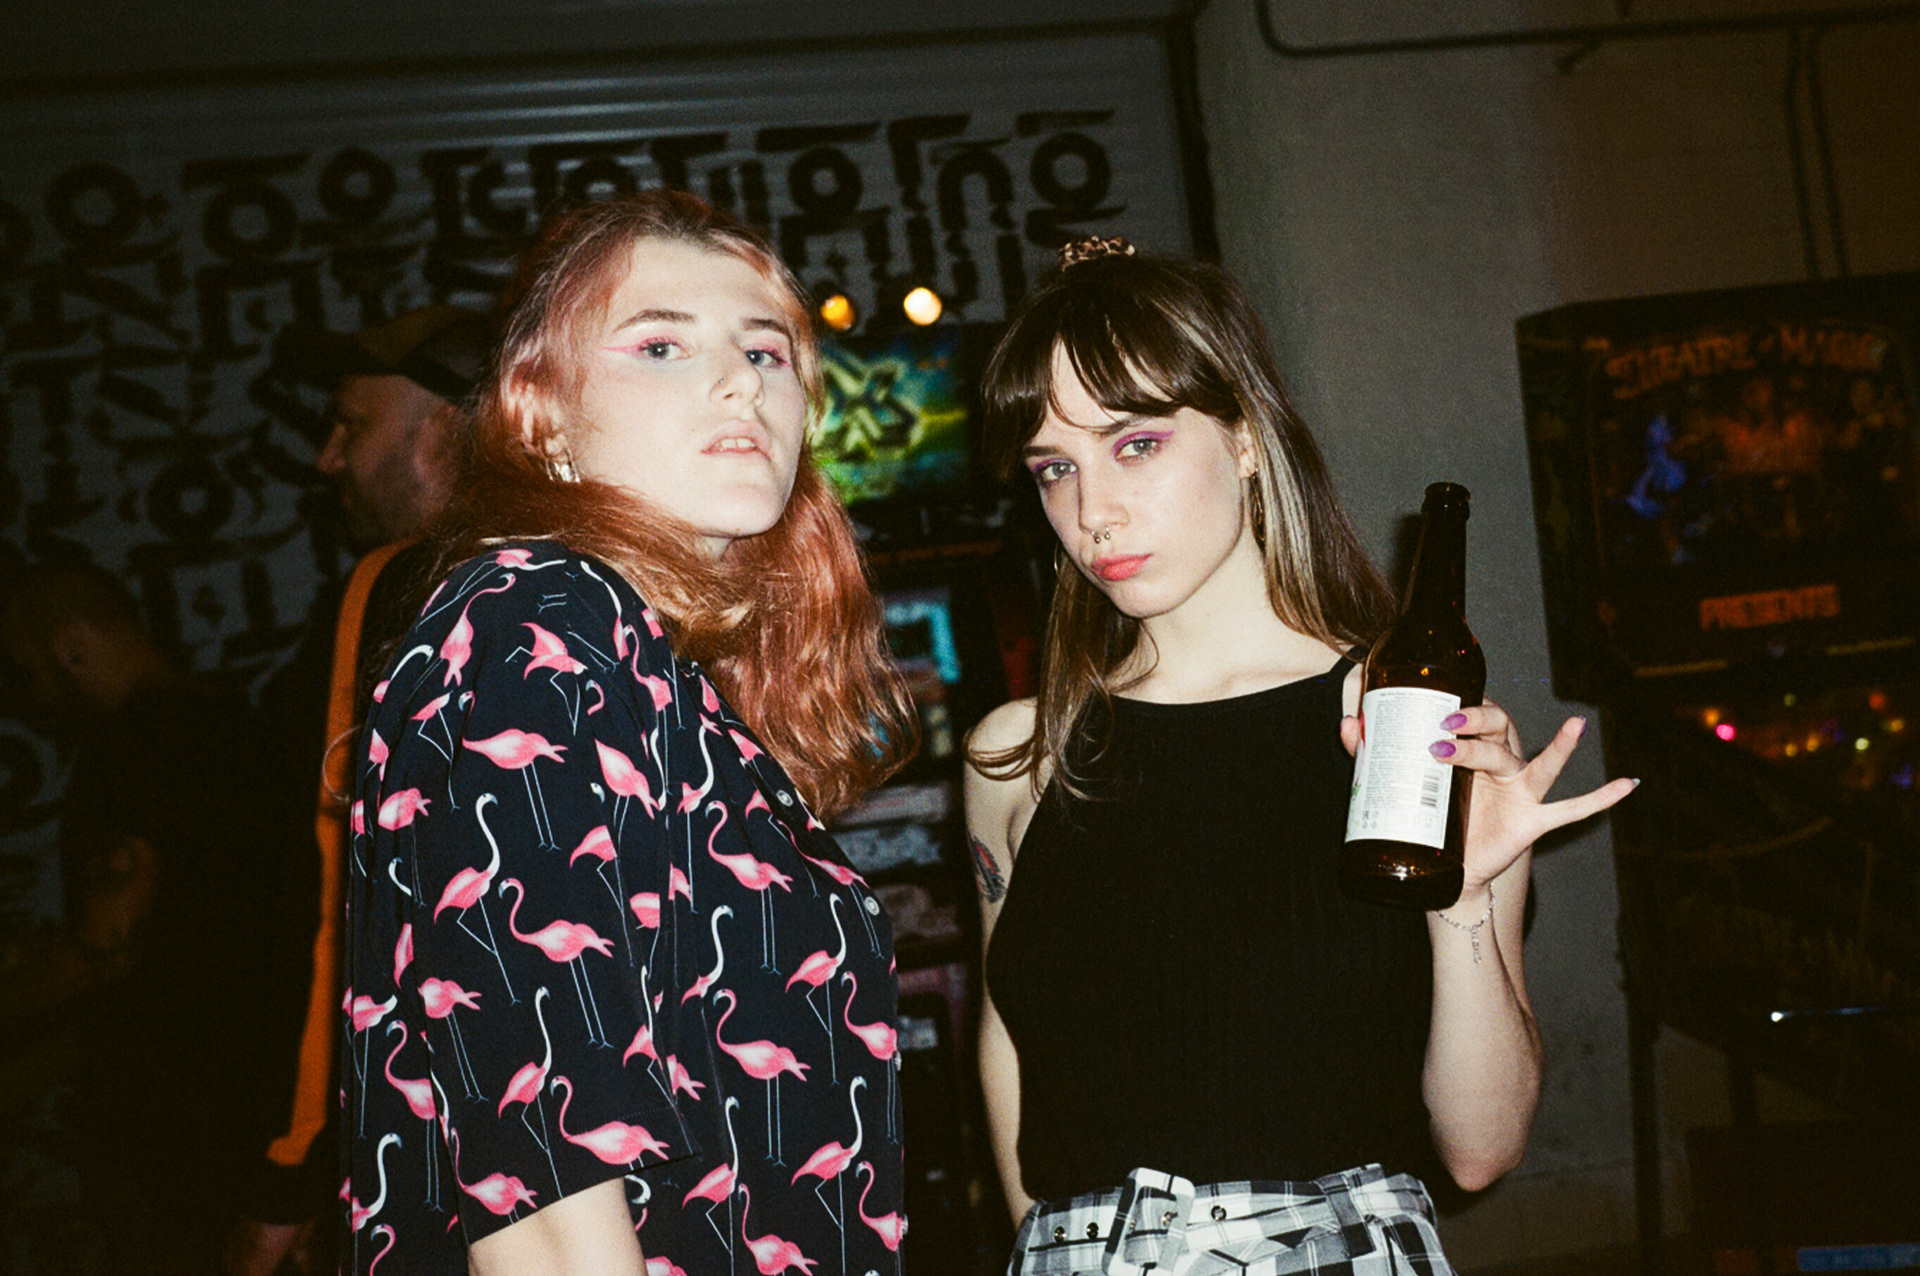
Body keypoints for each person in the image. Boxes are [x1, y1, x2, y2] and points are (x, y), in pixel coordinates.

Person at [963, 238, 1637, 1275]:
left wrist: (1464, 901)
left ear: (1243, 436)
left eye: (1135, 443)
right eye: (1056, 467)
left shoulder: (1405, 730)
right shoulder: (1020, 754)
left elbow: (1481, 1148)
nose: (1091, 512)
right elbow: (1010, 1046)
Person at [339, 190, 917, 1275]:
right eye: (660, 344)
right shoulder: (540, 618)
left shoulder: (643, 661)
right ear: (541, 417)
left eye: (767, 351)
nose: (742, 381)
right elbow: (543, 1185)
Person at [234, 305, 494, 1276]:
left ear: (450, 431)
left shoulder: (394, 586)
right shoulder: (615, 570)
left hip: (450, 1160)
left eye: (352, 423)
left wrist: (288, 1171)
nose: (327, 459)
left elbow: (337, 907)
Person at [0, 560, 306, 1276]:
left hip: (175, 1130)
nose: (19, 697)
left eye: (19, 668)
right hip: (255, 1106)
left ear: (68, 643)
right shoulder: (240, 726)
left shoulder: (130, 745)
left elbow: (107, 949)